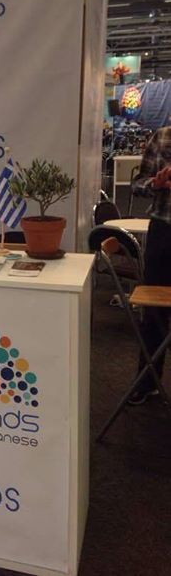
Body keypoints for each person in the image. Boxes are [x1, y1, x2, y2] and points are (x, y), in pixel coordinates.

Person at [129, 123, 171, 404]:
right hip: (163, 230)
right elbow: (137, 184)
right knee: (153, 312)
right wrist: (154, 184)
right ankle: (147, 382)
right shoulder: (163, 136)